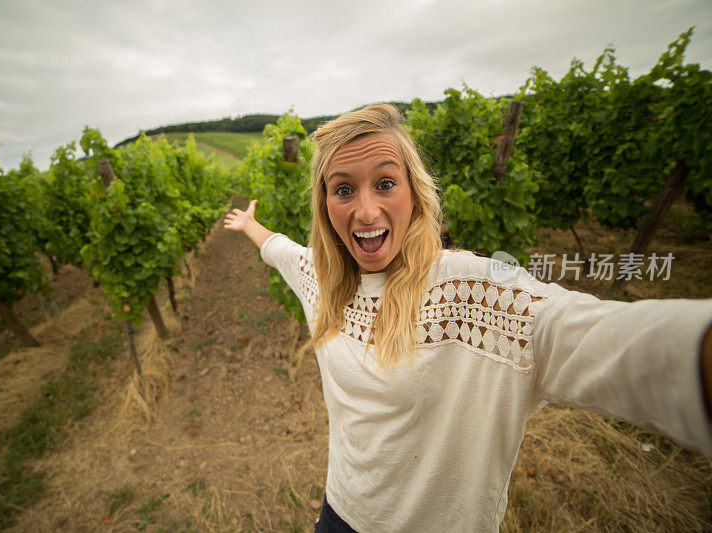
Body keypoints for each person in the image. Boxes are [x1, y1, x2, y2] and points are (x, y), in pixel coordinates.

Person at [224, 103, 712, 532]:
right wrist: (249, 225)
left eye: (386, 183)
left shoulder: (470, 292)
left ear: (414, 193)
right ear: (325, 204)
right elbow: (281, 250)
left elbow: (586, 335)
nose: (366, 210)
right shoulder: (323, 279)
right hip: (340, 515)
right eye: (344, 189)